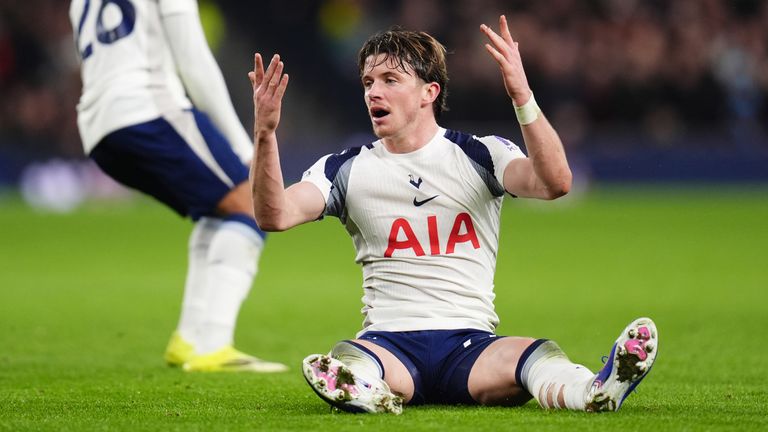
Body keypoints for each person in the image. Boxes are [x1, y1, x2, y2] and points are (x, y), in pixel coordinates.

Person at [248, 15, 658, 412]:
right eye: (368, 82)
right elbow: (274, 215)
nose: (374, 92)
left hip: (471, 346)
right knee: (351, 356)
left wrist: (523, 97)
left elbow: (555, 183)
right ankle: (365, 389)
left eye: (390, 80)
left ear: (429, 92)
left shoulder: (480, 154)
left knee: (537, 354)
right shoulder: (344, 168)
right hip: (388, 344)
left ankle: (593, 391)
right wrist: (265, 134)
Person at [68, 0, 287, 373]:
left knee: (219, 209)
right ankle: (214, 346)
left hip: (98, 128)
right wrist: (242, 144)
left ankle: (189, 339)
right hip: (148, 109)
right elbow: (193, 60)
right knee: (249, 204)